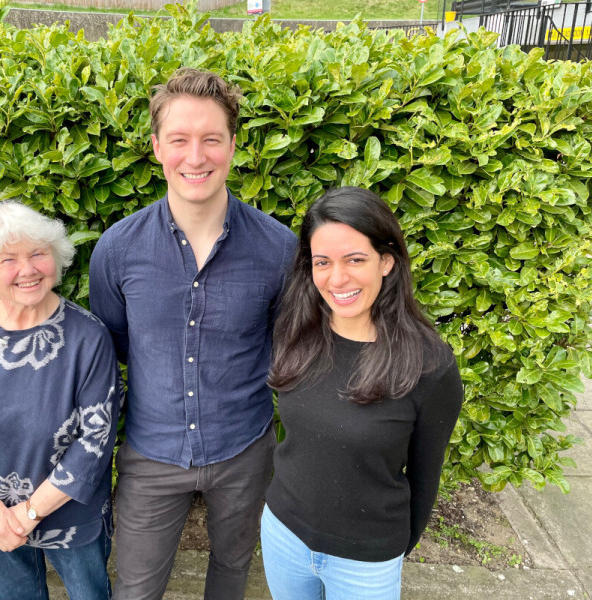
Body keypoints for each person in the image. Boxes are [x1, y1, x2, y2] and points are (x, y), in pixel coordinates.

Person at [89, 68, 297, 600]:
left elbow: (289, 351)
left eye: (211, 139)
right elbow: (111, 348)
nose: (195, 156)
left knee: (231, 578)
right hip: (150, 454)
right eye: (179, 139)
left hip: (245, 451)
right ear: (157, 146)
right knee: (134, 589)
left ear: (232, 145)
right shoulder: (116, 250)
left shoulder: (279, 250)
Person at [261, 187, 463, 600]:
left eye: (355, 259)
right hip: (283, 536)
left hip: (365, 562)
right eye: (323, 262)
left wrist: (390, 551)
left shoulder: (430, 365)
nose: (337, 279)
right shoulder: (297, 334)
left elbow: (426, 477)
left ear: (386, 261)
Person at [0, 200, 121, 600]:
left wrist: (28, 512)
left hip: (70, 512)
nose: (28, 269)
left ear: (56, 256)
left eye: (38, 253)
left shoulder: (89, 338)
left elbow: (94, 442)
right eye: (8, 260)